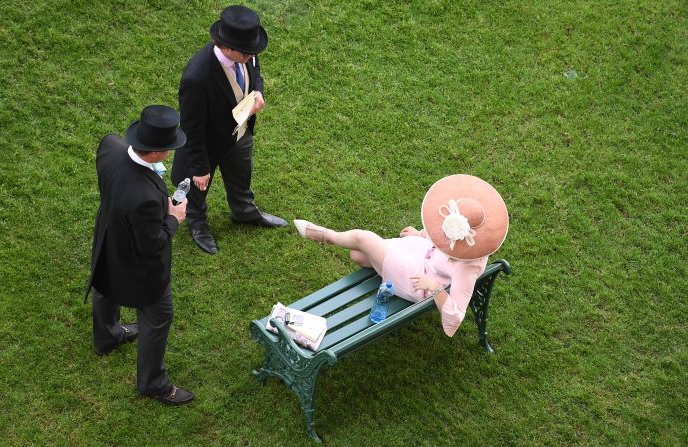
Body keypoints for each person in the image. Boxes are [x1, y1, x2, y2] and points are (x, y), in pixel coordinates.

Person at [293, 174, 509, 337]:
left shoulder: (467, 268)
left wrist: (434, 287)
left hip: (416, 277)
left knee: (363, 240)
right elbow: (442, 239)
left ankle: (324, 235)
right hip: (418, 253)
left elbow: (455, 318)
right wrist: (421, 235)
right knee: (357, 256)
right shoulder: (465, 242)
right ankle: (384, 267)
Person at [85, 105, 194, 405]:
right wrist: (174, 218)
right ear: (158, 153)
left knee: (105, 284)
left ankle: (107, 335)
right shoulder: (145, 198)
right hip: (141, 265)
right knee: (159, 316)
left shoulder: (110, 146)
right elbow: (152, 244)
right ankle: (153, 383)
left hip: (109, 240)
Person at [171, 4, 287, 255]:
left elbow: (255, 71)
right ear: (225, 47)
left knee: (241, 176)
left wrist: (258, 91)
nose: (251, 56)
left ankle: (244, 211)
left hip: (240, 133)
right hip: (208, 144)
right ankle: (198, 224)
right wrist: (200, 168)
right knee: (197, 193)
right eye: (246, 53)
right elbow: (192, 128)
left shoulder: (247, 51)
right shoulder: (197, 77)